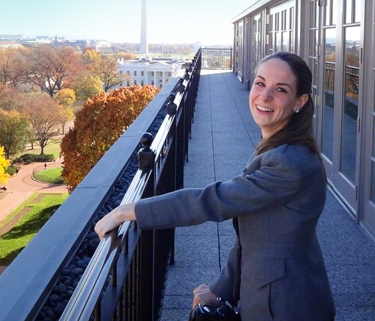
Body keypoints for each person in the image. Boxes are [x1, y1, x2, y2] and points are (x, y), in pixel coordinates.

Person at [95, 52, 336, 321]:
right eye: (260, 83)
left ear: (299, 102)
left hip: (286, 304)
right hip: (274, 291)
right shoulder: (276, 146)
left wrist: (128, 211)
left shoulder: (288, 161)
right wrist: (221, 293)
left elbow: (212, 200)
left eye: (280, 89)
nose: (264, 96)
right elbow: (254, 239)